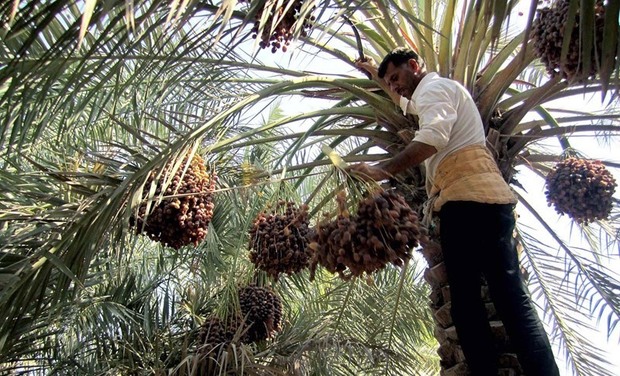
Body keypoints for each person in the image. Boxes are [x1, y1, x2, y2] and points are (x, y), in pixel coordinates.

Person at [350, 47, 560, 376]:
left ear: (414, 66)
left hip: (464, 203)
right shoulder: (437, 93)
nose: (396, 84)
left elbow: (433, 137)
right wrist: (376, 78)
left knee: (466, 305)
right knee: (511, 300)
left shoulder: (434, 89)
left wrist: (383, 169)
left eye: (397, 77)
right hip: (492, 201)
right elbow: (406, 105)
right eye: (390, 80)